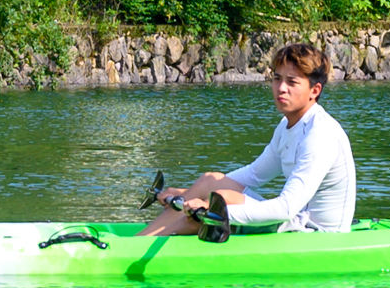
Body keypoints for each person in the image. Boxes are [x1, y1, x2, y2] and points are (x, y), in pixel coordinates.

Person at [142, 41, 358, 237]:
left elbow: (286, 209)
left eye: (292, 82)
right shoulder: (286, 126)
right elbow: (254, 174)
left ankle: (133, 248)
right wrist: (189, 193)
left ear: (314, 90)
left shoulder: (320, 135)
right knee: (211, 180)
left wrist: (214, 209)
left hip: (317, 234)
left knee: (212, 209)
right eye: (277, 79)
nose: (281, 88)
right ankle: (137, 242)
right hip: (294, 221)